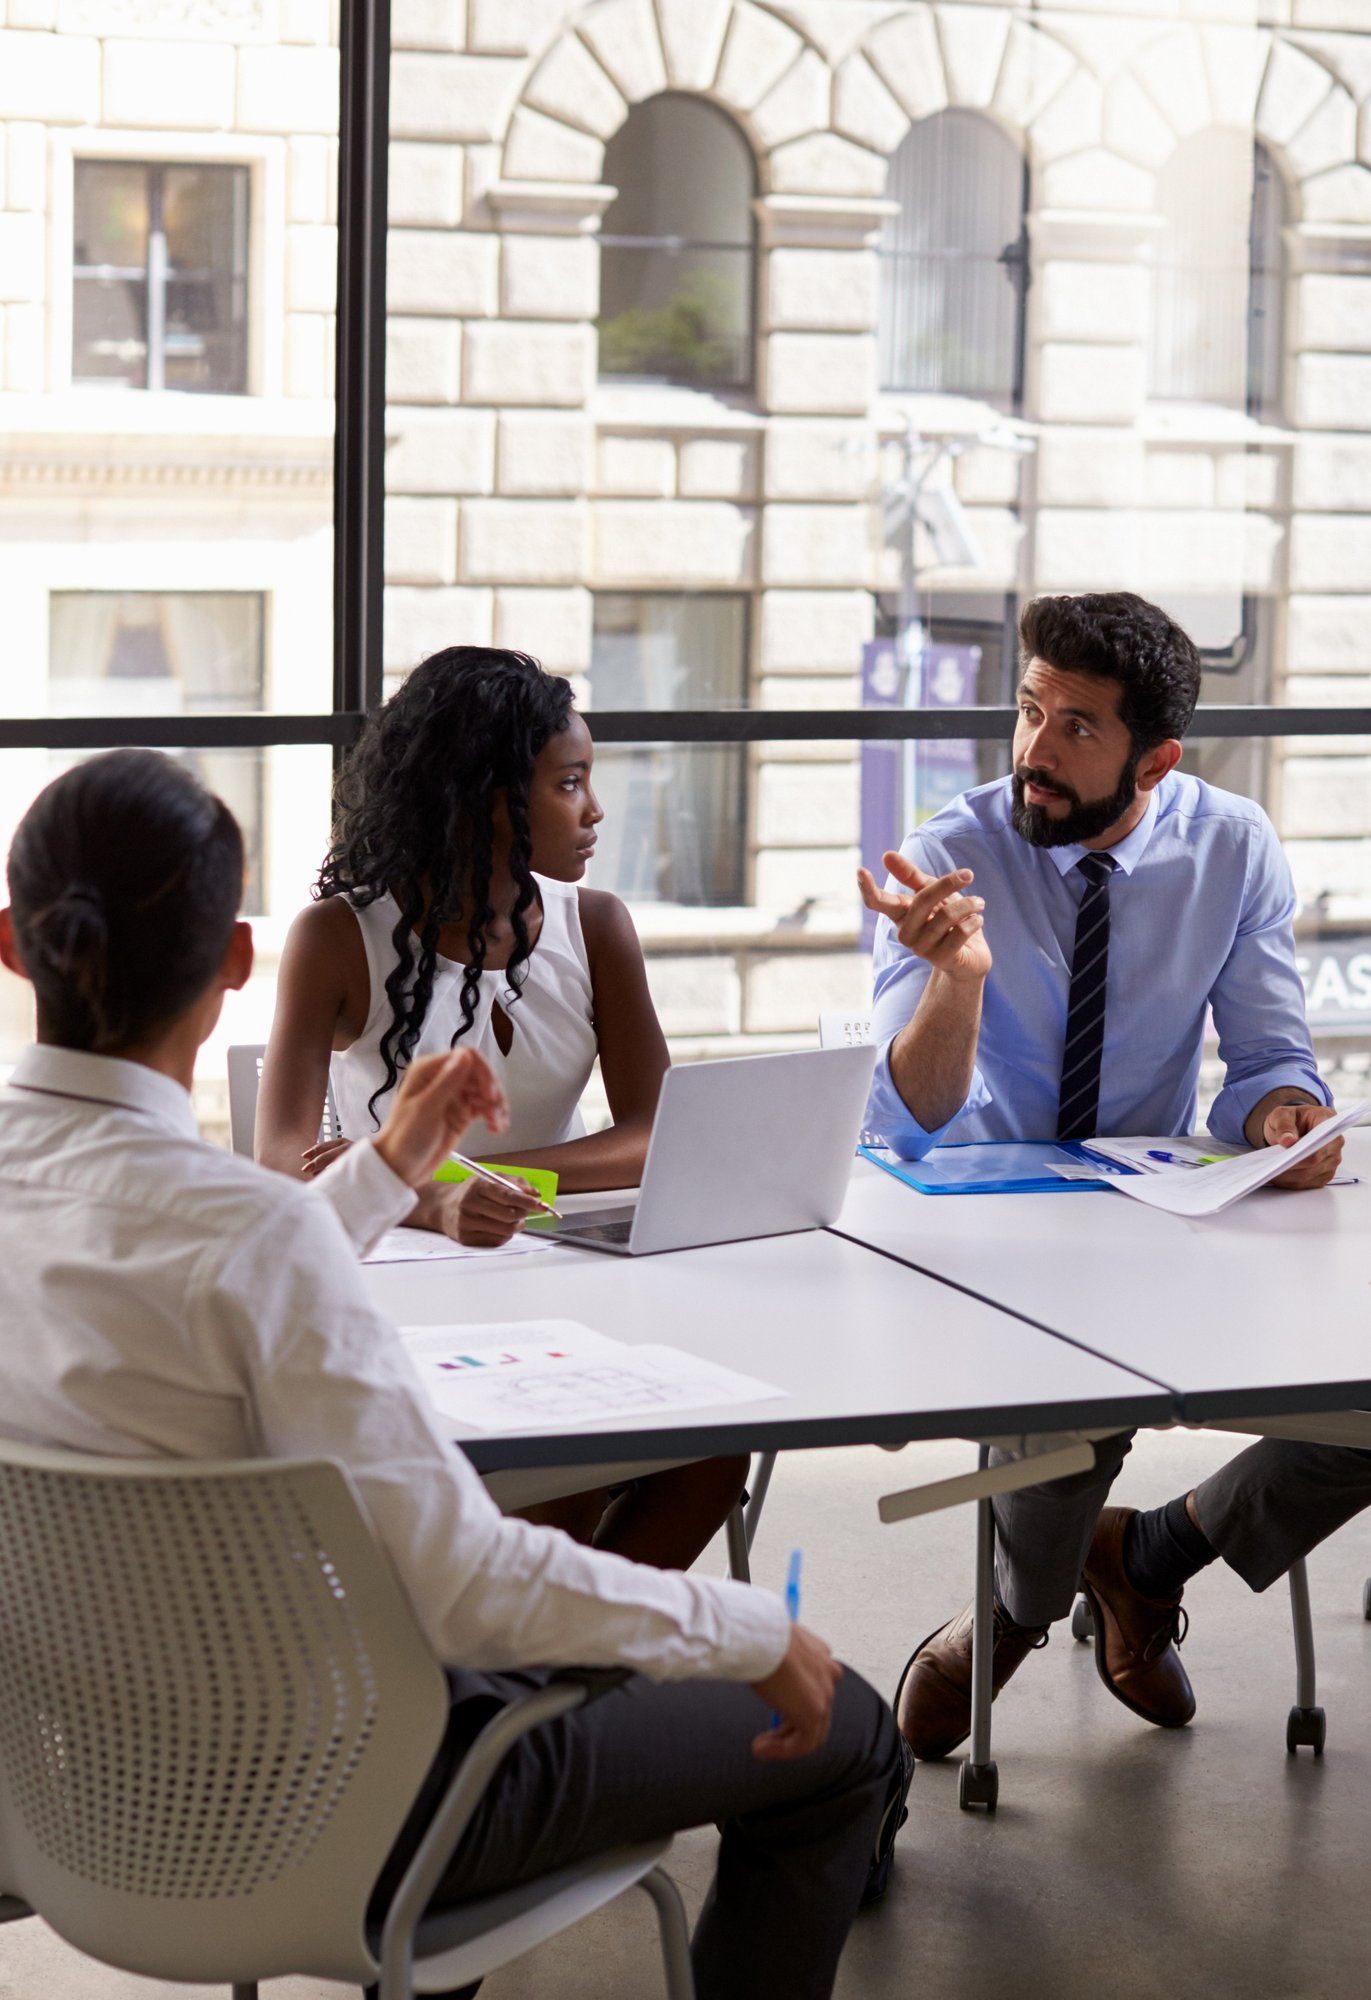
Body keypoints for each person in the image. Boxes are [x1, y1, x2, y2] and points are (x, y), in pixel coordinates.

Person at [0, 748, 911, 2000]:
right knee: (850, 1732)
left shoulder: (217, 1231)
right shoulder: (245, 1235)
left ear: (12, 944)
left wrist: (387, 1168)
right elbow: (469, 1588)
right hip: (342, 1808)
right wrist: (754, 1629)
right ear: (232, 965)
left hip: (58, 1787)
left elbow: (226, 1268)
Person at [858, 590, 1371, 1758]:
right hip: (983, 1219)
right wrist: (959, 979)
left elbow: (1268, 1060)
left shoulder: (1230, 845)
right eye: (1031, 709)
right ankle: (1013, 1617)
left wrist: (1283, 1114)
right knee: (1069, 1411)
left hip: (1155, 1210)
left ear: (1158, 755)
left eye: (1077, 726)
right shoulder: (950, 850)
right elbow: (906, 1115)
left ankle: (1150, 1554)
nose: (1036, 749)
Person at [258, 645, 747, 1569]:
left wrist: (482, 1177)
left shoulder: (595, 926)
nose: (596, 810)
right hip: (403, 1285)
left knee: (715, 1450)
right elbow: (280, 1169)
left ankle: (567, 1679)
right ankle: (542, 1682)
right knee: (564, 1474)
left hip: (563, 1273)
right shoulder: (335, 938)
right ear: (486, 796)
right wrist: (431, 1198)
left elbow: (657, 1137)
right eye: (569, 784)